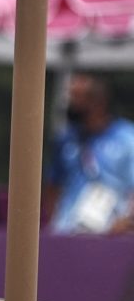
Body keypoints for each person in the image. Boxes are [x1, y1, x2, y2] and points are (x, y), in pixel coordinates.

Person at [45, 71, 134, 234]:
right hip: (67, 231)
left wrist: (127, 221)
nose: (69, 104)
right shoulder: (65, 139)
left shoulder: (127, 138)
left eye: (76, 97)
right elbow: (53, 185)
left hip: (111, 233)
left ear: (98, 102)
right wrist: (54, 223)